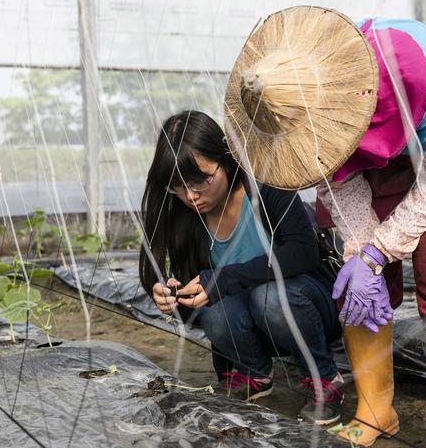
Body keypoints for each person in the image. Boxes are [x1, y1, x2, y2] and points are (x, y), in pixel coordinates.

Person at [224, 7, 426, 448]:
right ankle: (376, 409)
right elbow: (336, 183)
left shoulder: (408, 68)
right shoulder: (303, 115)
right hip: (387, 134)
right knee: (353, 270)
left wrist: (380, 249)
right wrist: (363, 252)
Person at [138, 110, 344, 425]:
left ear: (226, 158)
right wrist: (174, 300)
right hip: (255, 327)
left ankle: (324, 378)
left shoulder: (264, 187)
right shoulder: (185, 218)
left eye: (202, 180)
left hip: (306, 310)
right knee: (214, 309)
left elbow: (304, 254)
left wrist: (223, 279)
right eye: (177, 187)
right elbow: (199, 309)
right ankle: (254, 374)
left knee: (269, 296)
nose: (191, 196)